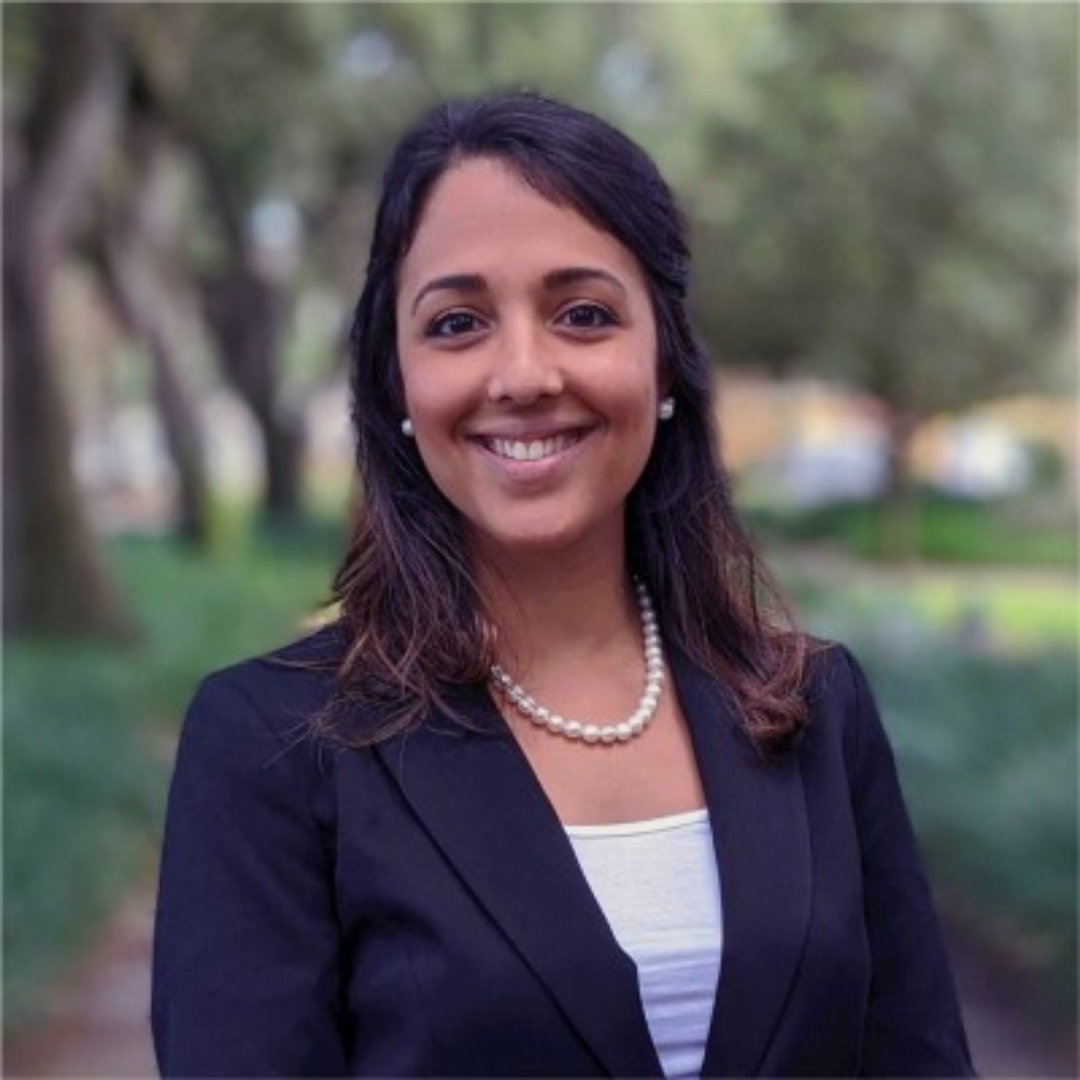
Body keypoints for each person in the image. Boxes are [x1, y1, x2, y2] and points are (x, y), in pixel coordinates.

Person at [151, 91, 974, 1078]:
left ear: (663, 359)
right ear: (396, 384)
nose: (524, 372)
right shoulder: (275, 745)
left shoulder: (814, 708)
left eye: (583, 314)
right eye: (457, 323)